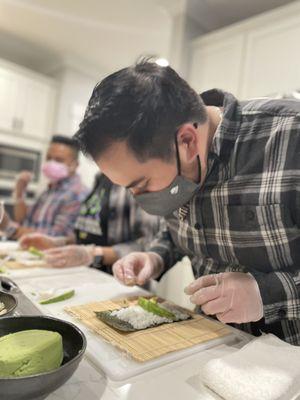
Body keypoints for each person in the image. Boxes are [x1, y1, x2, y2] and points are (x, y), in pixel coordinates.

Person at [73, 60, 300, 345]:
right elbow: (177, 229)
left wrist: (267, 293)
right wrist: (155, 256)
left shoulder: (290, 135)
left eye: (141, 185)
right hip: (215, 343)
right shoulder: (176, 162)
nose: (140, 200)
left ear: (188, 141)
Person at [20, 173, 161, 274]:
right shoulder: (100, 179)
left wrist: (93, 254)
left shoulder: (136, 181)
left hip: (118, 282)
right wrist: (59, 243)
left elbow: (149, 243)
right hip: (86, 275)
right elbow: (90, 231)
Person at [8, 135, 87, 239]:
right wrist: (20, 192)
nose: (51, 163)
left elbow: (56, 237)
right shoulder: (49, 190)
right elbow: (23, 221)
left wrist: (8, 228)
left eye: (59, 160)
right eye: (49, 158)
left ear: (75, 165)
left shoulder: (77, 194)